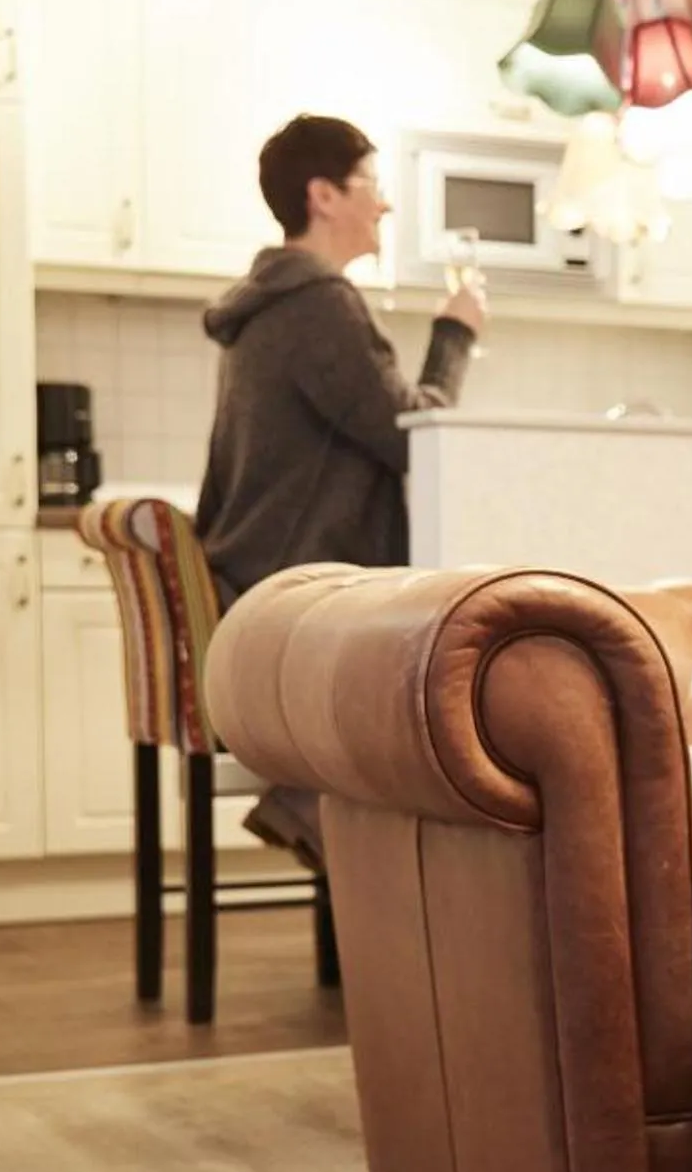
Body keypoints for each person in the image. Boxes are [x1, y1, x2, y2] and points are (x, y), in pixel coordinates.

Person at [193, 112, 487, 864]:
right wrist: (455, 333)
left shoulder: (265, 304)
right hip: (303, 599)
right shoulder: (317, 301)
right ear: (323, 196)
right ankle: (331, 819)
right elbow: (408, 431)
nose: (384, 204)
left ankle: (325, 819)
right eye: (372, 186)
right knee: (456, 680)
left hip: (253, 585)